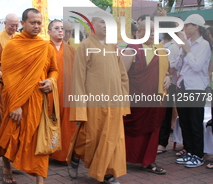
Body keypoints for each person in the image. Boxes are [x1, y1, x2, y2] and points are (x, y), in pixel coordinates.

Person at [0, 8, 58, 184]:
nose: (37, 26)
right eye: (32, 22)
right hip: (16, 101)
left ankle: (39, 180)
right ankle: (6, 167)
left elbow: (54, 69)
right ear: (23, 23)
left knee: (38, 138)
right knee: (10, 135)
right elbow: (8, 77)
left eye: (39, 22)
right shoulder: (13, 46)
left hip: (37, 100)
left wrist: (51, 81)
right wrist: (15, 105)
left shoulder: (45, 46)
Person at [67, 16, 130, 183]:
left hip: (114, 102)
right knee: (89, 137)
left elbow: (122, 74)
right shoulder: (85, 46)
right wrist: (80, 106)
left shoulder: (112, 46)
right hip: (93, 101)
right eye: (101, 22)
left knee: (112, 139)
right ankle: (74, 157)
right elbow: (78, 78)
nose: (106, 26)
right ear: (91, 26)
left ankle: (108, 173)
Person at [122, 18, 170, 174]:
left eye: (155, 31)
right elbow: (121, 75)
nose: (153, 34)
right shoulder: (132, 49)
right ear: (139, 32)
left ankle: (148, 161)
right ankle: (121, 159)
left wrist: (168, 77)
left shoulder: (160, 49)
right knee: (130, 129)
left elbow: (166, 71)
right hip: (136, 100)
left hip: (155, 99)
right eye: (149, 31)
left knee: (153, 130)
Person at [174, 14, 211, 168]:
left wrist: (188, 51)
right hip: (183, 85)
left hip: (196, 87)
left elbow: (197, 67)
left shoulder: (204, 45)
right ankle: (189, 150)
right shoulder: (187, 43)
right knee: (185, 121)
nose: (185, 28)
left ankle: (198, 154)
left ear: (196, 26)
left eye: (187, 25)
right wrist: (183, 52)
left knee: (195, 122)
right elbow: (177, 66)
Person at [46, 19, 76, 164]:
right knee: (48, 121)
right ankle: (47, 151)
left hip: (67, 92)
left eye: (62, 28)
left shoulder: (71, 50)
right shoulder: (44, 48)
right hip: (49, 92)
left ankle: (64, 155)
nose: (60, 30)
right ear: (49, 32)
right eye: (56, 28)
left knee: (67, 123)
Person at [157, 22, 180, 154]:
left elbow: (170, 68)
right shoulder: (161, 43)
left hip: (169, 84)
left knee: (165, 114)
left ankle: (163, 143)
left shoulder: (173, 46)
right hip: (157, 83)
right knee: (159, 114)